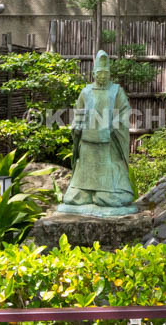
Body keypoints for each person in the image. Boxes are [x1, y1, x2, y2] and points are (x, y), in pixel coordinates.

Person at [58, 50, 137, 215]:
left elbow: (124, 112)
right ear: (93, 73)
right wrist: (77, 126)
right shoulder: (86, 92)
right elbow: (79, 112)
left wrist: (112, 125)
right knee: (73, 198)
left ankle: (105, 193)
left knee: (110, 199)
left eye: (105, 73)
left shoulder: (116, 91)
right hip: (87, 146)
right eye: (99, 73)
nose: (102, 76)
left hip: (108, 147)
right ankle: (85, 194)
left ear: (109, 74)